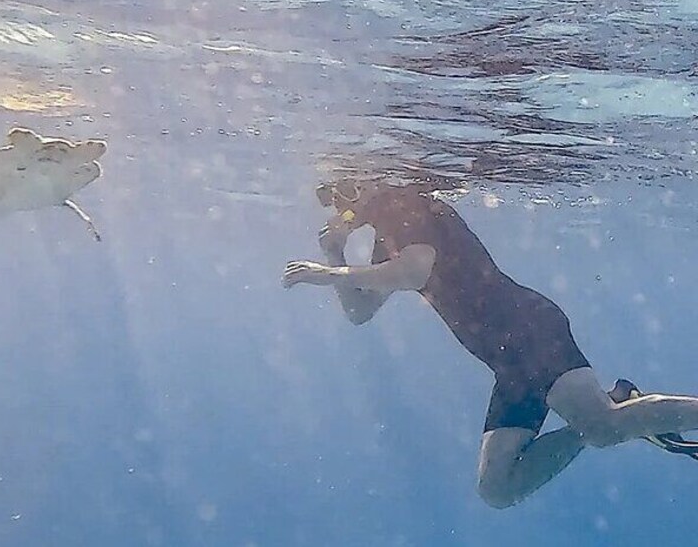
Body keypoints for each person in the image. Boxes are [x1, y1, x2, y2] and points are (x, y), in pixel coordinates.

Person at [282, 177, 698, 508]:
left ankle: (613, 410)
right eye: (331, 197)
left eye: (341, 191)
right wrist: (336, 254)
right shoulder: (388, 231)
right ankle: (617, 401)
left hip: (530, 331)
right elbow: (360, 312)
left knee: (605, 429)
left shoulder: (408, 205)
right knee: (498, 488)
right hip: (507, 360)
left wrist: (328, 273)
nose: (340, 205)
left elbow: (412, 272)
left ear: (368, 181)